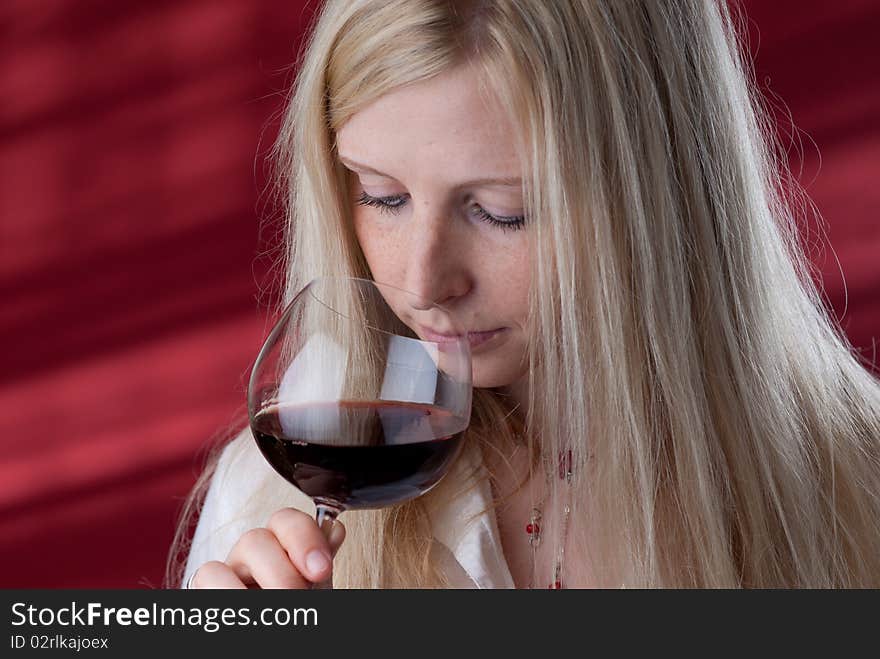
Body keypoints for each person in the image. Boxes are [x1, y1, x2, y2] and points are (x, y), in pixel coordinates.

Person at [167, 0, 880, 589]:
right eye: (381, 196)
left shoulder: (858, 488)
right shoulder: (267, 507)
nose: (422, 284)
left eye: (503, 210)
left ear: (657, 201)